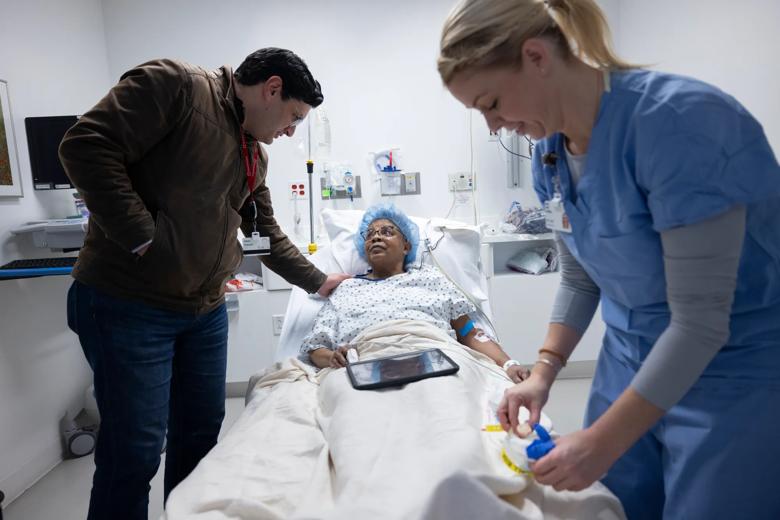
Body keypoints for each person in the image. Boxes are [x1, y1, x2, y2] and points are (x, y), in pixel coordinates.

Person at [437, 0, 780, 518]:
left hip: (730, 370)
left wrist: (601, 440)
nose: (494, 125)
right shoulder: (550, 153)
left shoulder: (682, 125)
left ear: (535, 57)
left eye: (492, 102)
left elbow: (701, 322)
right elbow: (580, 275)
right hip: (626, 360)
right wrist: (543, 372)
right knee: (617, 506)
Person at [59, 48, 349, 520]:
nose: (291, 131)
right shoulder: (176, 86)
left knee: (200, 437)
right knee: (135, 450)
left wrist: (320, 282)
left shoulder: (254, 152)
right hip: (131, 303)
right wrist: (143, 240)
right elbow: (85, 144)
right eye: (293, 116)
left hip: (203, 310)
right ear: (271, 89)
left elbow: (265, 236)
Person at [301, 203, 528, 383]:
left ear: (407, 246)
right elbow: (316, 346)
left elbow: (469, 332)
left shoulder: (431, 279)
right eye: (369, 234)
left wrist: (508, 364)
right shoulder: (346, 290)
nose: (376, 237)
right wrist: (331, 357)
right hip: (365, 363)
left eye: (387, 232)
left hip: (433, 356)